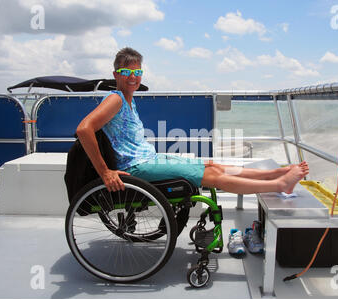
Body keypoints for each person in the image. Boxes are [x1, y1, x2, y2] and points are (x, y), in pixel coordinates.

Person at [76, 47, 309, 196]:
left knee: (213, 166)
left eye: (137, 72)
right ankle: (279, 185)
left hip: (149, 158)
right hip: (136, 167)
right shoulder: (115, 99)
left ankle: (274, 174)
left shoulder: (129, 101)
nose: (133, 77)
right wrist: (106, 172)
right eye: (127, 73)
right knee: (213, 177)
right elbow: (84, 129)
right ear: (116, 75)